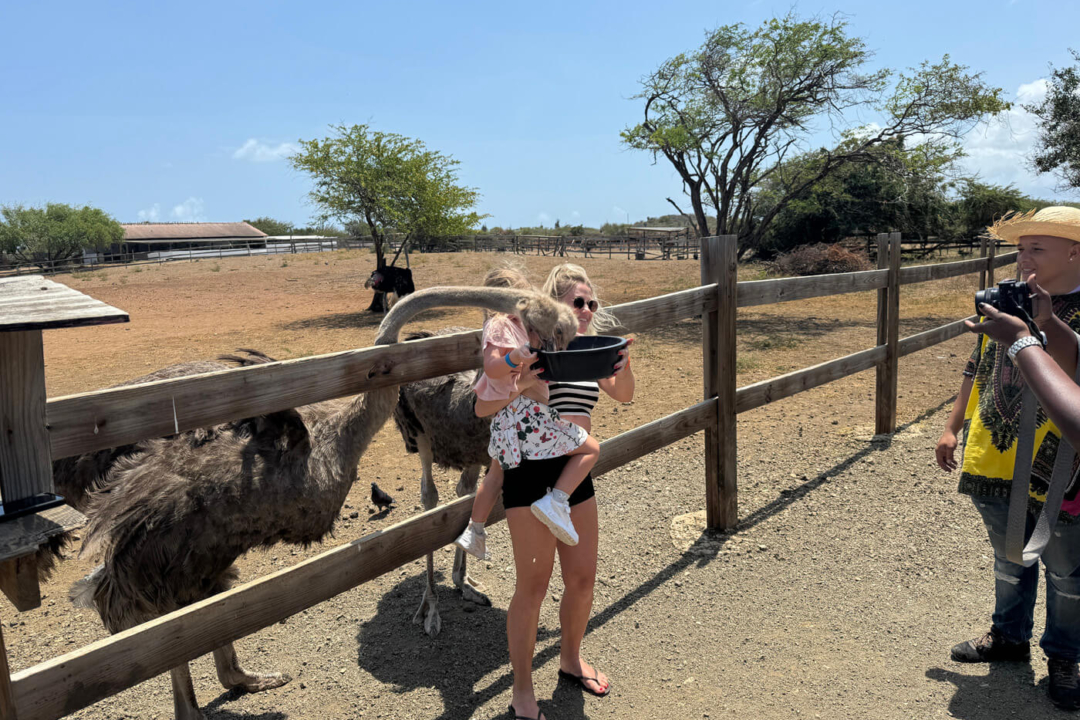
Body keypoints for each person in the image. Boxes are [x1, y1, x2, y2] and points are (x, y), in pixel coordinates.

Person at [937, 207, 1080, 710]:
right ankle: (1009, 638)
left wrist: (1038, 327)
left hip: (1064, 469)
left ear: (1075, 252)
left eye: (1036, 248)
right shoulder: (1005, 301)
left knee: (1069, 571)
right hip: (996, 455)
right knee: (1009, 557)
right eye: (1020, 249)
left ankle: (1065, 656)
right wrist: (952, 426)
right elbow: (978, 363)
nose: (1023, 258)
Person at [493, 263, 634, 720]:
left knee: (582, 578)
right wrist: (526, 376)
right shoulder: (532, 348)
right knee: (532, 588)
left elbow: (624, 395)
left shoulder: (592, 351)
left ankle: (570, 660)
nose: (588, 310)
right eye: (578, 303)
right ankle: (521, 690)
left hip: (576, 470)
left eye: (592, 303)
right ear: (556, 307)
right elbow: (494, 400)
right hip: (532, 474)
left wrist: (622, 363)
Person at [454, 267, 601, 562]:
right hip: (529, 417)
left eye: (590, 304)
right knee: (592, 448)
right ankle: (556, 501)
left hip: (509, 422)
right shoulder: (503, 328)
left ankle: (475, 529)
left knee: (495, 475)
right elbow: (494, 373)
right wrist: (517, 359)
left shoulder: (519, 328)